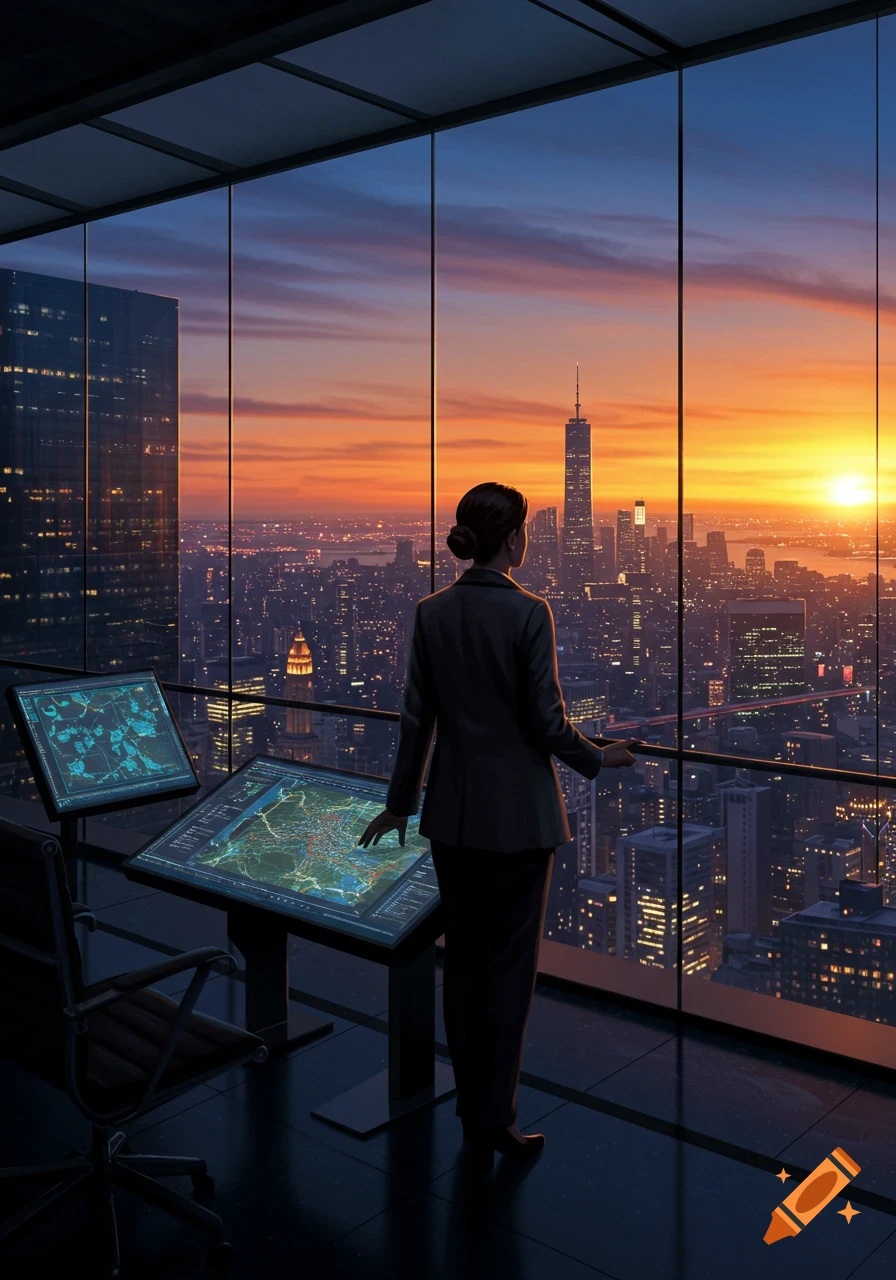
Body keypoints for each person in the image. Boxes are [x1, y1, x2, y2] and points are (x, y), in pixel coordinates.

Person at [359, 481, 637, 1168]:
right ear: (512, 539)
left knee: (463, 969)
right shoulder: (528, 613)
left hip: (452, 816)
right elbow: (546, 724)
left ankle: (466, 1111)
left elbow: (416, 719)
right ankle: (495, 1121)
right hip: (519, 822)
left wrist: (401, 802)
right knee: (510, 976)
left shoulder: (432, 612)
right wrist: (600, 758)